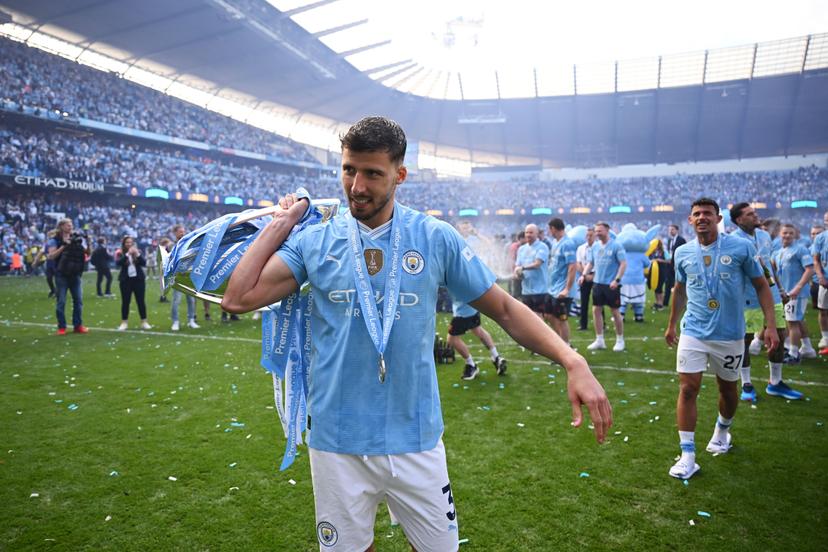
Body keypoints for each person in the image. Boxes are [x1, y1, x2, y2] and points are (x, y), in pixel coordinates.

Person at [222, 116, 612, 552]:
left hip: (415, 438)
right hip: (337, 439)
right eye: (349, 169)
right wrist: (284, 221)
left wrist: (573, 360)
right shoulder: (315, 239)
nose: (357, 186)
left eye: (373, 173)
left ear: (399, 175)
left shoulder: (433, 237)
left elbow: (503, 307)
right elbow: (238, 297)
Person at [665, 198, 779, 480]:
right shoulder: (682, 252)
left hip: (729, 334)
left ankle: (722, 430)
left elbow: (762, 286)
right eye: (696, 214)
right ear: (690, 220)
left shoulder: (741, 247)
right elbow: (679, 290)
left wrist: (772, 325)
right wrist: (671, 325)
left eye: (707, 213)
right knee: (688, 388)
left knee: (727, 390)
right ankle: (688, 455)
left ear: (718, 218)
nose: (702, 217)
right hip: (693, 331)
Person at [730, 203, 802, 401]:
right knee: (744, 341)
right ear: (739, 220)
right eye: (750, 214)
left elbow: (769, 264)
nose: (756, 215)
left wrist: (779, 289)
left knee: (779, 336)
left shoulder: (763, 236)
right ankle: (746, 384)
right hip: (747, 299)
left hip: (772, 296)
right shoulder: (732, 241)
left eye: (754, 212)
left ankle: (775, 382)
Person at [772, 224, 814, 363]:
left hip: (796, 293)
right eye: (785, 233)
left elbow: (809, 269)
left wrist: (798, 287)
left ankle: (793, 354)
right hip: (784, 293)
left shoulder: (801, 249)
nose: (788, 235)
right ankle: (808, 348)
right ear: (780, 234)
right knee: (797, 320)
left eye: (791, 233)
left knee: (792, 322)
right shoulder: (778, 252)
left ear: (795, 234)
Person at [581, 222, 627, 352]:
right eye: (596, 231)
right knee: (596, 310)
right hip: (598, 283)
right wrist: (583, 275)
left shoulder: (616, 245)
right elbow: (590, 263)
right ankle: (599, 339)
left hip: (611, 284)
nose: (597, 233)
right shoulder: (595, 246)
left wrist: (617, 280)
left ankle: (620, 339)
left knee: (615, 311)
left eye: (600, 231)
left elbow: (623, 264)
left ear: (607, 231)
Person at [47, 218, 91, 335]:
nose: (70, 227)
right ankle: (62, 327)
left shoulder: (77, 238)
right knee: (61, 301)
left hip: (75, 274)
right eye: (67, 225)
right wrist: (63, 246)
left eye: (71, 224)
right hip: (61, 275)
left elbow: (88, 253)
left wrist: (89, 242)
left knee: (78, 300)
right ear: (61, 227)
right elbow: (51, 256)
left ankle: (78, 325)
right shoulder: (54, 240)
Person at [448, 297, 507, 380]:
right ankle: (496, 356)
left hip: (462, 313)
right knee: (478, 330)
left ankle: (471, 365)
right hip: (473, 308)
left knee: (452, 339)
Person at [546, 218, 577, 346]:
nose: (549, 232)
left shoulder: (567, 243)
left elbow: (572, 266)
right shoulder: (555, 242)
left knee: (561, 318)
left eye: (550, 229)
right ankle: (560, 342)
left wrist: (567, 289)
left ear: (553, 228)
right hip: (552, 288)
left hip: (562, 290)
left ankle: (566, 347)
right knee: (549, 316)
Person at [514, 223, 550, 319]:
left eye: (531, 232)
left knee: (538, 316)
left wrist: (523, 268)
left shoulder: (542, 247)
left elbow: (537, 264)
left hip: (539, 289)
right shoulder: (521, 249)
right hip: (526, 290)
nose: (528, 235)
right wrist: (518, 273)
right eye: (527, 232)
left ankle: (542, 334)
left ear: (537, 233)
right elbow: (517, 265)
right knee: (528, 317)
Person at [116, 236, 151, 331]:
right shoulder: (120, 252)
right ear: (124, 244)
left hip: (138, 280)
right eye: (127, 242)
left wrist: (137, 254)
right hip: (125, 281)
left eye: (131, 242)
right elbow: (118, 263)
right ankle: (124, 322)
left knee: (141, 301)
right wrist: (127, 254)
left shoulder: (137, 252)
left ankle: (144, 321)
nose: (129, 244)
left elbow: (144, 263)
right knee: (125, 301)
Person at [169, 224, 199, 331]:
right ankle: (175, 321)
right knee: (176, 300)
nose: (182, 233)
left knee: (191, 300)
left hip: (188, 276)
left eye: (183, 231)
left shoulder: (189, 244)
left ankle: (191, 320)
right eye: (180, 231)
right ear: (175, 233)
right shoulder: (172, 245)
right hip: (177, 277)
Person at [812, 212, 828, 354]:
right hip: (826, 280)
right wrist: (820, 276)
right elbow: (816, 260)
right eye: (826, 220)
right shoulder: (821, 238)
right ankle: (825, 338)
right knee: (823, 310)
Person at [575, 227, 596, 330]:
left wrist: (592, 276)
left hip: (596, 276)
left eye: (591, 235)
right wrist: (584, 274)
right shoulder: (581, 248)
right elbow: (578, 263)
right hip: (584, 275)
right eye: (587, 235)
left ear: (595, 236)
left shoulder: (599, 248)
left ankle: (602, 324)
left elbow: (600, 264)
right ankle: (583, 324)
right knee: (584, 301)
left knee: (598, 302)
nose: (588, 237)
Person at [663, 224, 686, 307]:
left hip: (677, 266)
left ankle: (681, 303)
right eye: (669, 230)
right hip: (669, 266)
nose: (670, 231)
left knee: (679, 285)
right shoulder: (669, 240)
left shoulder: (681, 240)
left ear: (677, 230)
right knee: (667, 284)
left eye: (672, 229)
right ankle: (665, 302)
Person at [650, 239, 669, 309]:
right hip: (654, 273)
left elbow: (669, 261)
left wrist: (660, 260)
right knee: (655, 288)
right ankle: (657, 302)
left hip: (662, 272)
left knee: (659, 288)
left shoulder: (664, 252)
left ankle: (661, 303)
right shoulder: (653, 252)